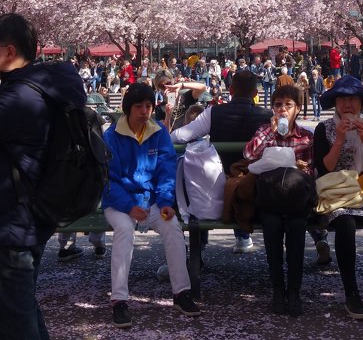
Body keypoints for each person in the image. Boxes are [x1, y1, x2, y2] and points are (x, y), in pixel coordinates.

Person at [0, 12, 86, 340]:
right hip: (24, 216)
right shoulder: (38, 87)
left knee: (12, 325)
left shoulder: (21, 96)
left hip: (5, 224)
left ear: (9, 51)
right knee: (21, 311)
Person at [102, 81, 200, 328]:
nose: (145, 111)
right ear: (128, 108)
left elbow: (166, 172)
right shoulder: (110, 136)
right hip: (120, 202)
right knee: (124, 230)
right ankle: (119, 300)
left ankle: (181, 293)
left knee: (173, 228)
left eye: (149, 105)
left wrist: (166, 202)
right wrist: (128, 206)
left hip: (153, 201)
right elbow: (107, 179)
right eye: (139, 106)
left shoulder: (159, 133)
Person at [171, 69, 272, 254]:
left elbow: (182, 135)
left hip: (216, 185)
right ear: (256, 93)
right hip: (252, 187)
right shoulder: (267, 116)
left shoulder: (214, 112)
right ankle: (242, 236)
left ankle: (199, 247)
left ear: (230, 90)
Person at [244, 83, 314, 317]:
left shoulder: (306, 137)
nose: (282, 110)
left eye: (288, 105)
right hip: (270, 198)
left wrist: (302, 167)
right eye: (277, 105)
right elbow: (249, 154)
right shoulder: (265, 130)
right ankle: (276, 289)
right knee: (271, 227)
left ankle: (293, 291)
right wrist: (271, 134)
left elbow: (313, 171)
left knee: (297, 227)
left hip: (296, 200)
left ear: (297, 109)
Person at [315, 75, 363, 320]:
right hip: (336, 193)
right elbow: (325, 168)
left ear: (361, 102)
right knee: (345, 223)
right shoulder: (324, 128)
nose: (347, 104)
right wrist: (340, 138)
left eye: (352, 99)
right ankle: (352, 292)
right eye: (342, 99)